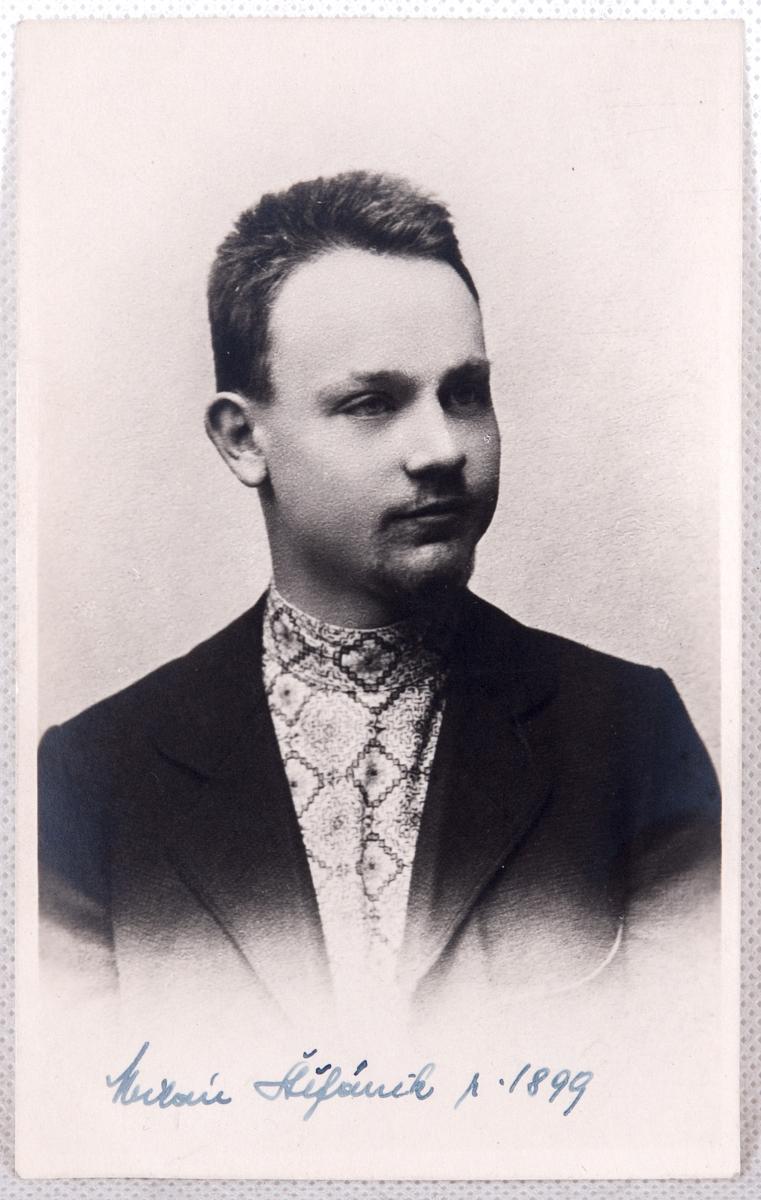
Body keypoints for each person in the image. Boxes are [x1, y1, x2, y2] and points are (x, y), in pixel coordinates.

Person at [38, 171, 720, 1025]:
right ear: (243, 439)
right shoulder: (92, 779)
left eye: (463, 394)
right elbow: (82, 1094)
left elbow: (677, 1075)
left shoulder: (627, 734)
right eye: (372, 403)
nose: (442, 449)